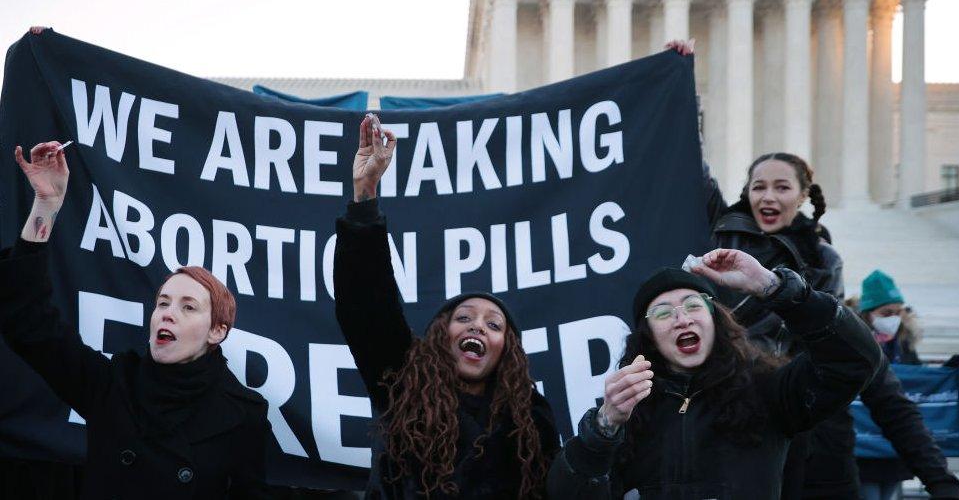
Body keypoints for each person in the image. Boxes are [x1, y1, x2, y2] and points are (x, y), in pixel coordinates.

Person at [688, 76, 959, 496]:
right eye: (759, 186)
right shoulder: (721, 237)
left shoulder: (823, 262)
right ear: (746, 192)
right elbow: (693, 165)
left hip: (813, 428)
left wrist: (941, 482)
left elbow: (874, 381)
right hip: (737, 413)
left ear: (802, 195)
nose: (769, 196)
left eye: (782, 187)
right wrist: (680, 84)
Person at [1, 141, 271, 499]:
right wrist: (46, 205)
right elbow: (28, 320)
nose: (168, 313)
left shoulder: (243, 415)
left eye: (188, 307)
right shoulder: (114, 385)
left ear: (217, 331)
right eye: (163, 303)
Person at [333, 115, 561, 498]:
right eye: (465, 318)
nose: (477, 327)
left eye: (493, 324)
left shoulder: (531, 418)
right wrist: (365, 196)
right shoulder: (403, 383)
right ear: (442, 335)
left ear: (508, 349)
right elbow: (366, 303)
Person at [545, 248, 882, 499]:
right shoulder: (627, 413)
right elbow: (565, 493)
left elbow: (855, 360)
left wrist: (774, 287)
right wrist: (603, 428)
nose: (682, 319)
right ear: (647, 337)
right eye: (663, 313)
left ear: (715, 321)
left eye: (694, 306)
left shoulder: (768, 390)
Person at [850, 271, 959, 500]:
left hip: (894, 449)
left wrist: (947, 372)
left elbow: (915, 384)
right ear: (868, 314)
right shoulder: (854, 341)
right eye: (886, 313)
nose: (893, 318)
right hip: (863, 450)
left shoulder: (903, 344)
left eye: (897, 312)